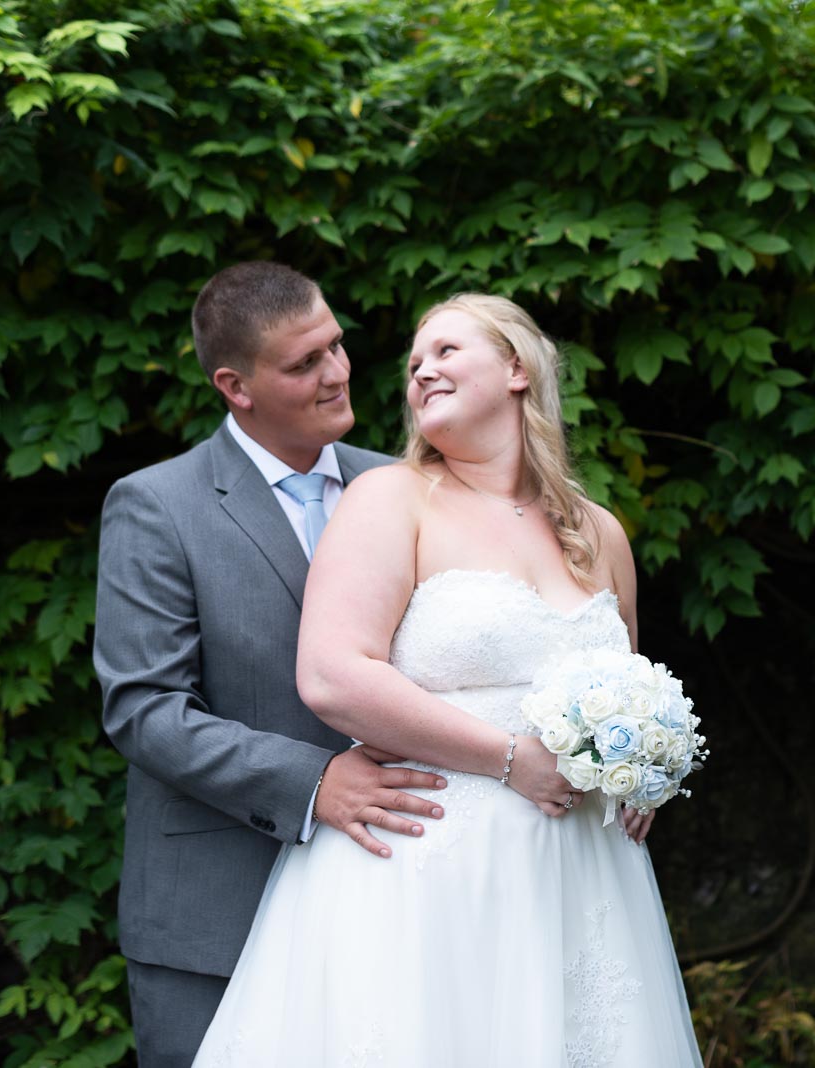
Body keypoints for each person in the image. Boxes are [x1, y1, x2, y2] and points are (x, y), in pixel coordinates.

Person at [192, 294, 703, 1066]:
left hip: (583, 883)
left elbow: (629, 681)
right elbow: (332, 676)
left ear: (517, 369)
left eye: (445, 351)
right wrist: (508, 758)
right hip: (428, 868)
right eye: (413, 363)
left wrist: (644, 769)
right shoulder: (390, 500)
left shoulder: (599, 532)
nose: (421, 369)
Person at [94, 262, 448, 1068]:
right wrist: (315, 783)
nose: (337, 373)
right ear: (235, 385)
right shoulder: (157, 506)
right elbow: (145, 711)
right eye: (304, 363)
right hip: (219, 909)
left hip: (401, 891)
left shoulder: (404, 486)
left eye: (336, 345)